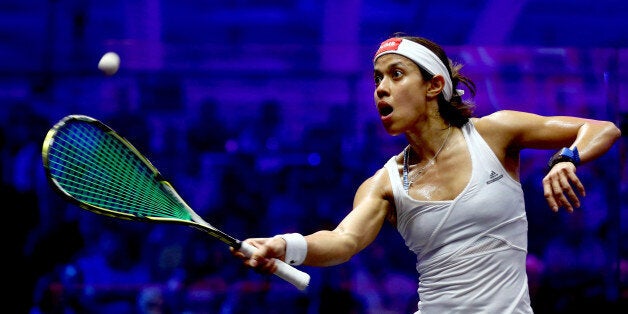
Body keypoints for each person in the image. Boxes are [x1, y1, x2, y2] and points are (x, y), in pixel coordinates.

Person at [231, 34, 622, 313]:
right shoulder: (384, 182)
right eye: (377, 79)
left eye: (395, 75)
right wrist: (286, 245)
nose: (380, 89)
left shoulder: (495, 134)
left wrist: (565, 158)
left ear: (434, 85)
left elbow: (602, 129)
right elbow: (343, 241)